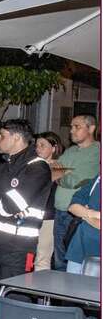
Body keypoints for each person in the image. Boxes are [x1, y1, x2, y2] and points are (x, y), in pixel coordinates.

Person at [0, 119, 52, 319]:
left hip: (17, 248)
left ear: (16, 138)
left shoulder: (37, 168)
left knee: (15, 301)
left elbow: (12, 205)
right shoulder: (1, 168)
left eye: (2, 136)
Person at [53, 115, 99, 269]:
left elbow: (76, 181)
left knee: (72, 260)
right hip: (59, 210)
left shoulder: (96, 151)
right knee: (58, 259)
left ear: (91, 128)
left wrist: (61, 173)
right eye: (71, 127)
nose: (71, 130)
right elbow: (52, 173)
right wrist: (64, 172)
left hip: (76, 215)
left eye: (77, 127)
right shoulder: (71, 151)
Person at [33, 132, 64, 270]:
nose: (38, 149)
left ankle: (40, 284)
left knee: (42, 257)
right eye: (36, 145)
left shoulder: (57, 166)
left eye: (42, 145)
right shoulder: (35, 165)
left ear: (54, 148)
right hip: (33, 215)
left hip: (48, 217)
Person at [65, 174, 101, 273]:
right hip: (78, 250)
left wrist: (84, 214)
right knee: (71, 282)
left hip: (97, 253)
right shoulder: (98, 178)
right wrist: (93, 214)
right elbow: (72, 207)